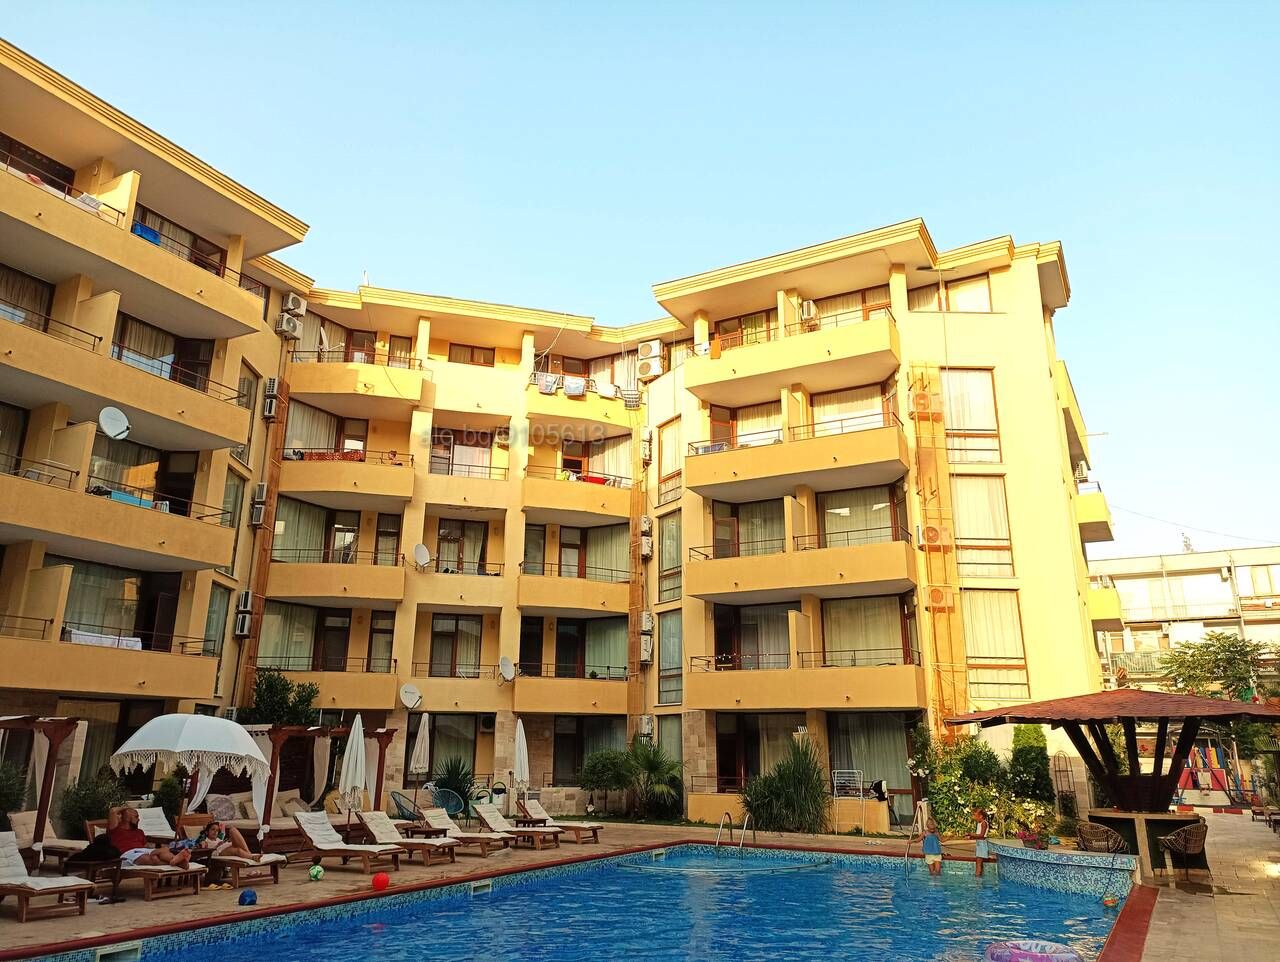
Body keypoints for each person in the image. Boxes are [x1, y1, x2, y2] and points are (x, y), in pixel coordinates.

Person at [106, 805, 190, 869]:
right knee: (153, 859)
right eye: (136, 817)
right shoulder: (115, 829)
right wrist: (126, 808)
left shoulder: (139, 832)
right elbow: (113, 811)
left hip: (143, 851)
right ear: (127, 818)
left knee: (163, 851)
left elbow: (146, 846)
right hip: (127, 854)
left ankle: (176, 860)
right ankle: (178, 863)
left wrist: (157, 850)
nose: (139, 819)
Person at [967, 808, 990, 877]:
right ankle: (979, 875)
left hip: (982, 844)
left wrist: (971, 834)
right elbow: (978, 835)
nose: (973, 817)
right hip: (980, 843)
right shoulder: (979, 823)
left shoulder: (984, 823)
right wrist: (971, 837)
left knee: (978, 862)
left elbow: (982, 835)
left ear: (980, 816)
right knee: (979, 861)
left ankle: (977, 877)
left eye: (975, 815)